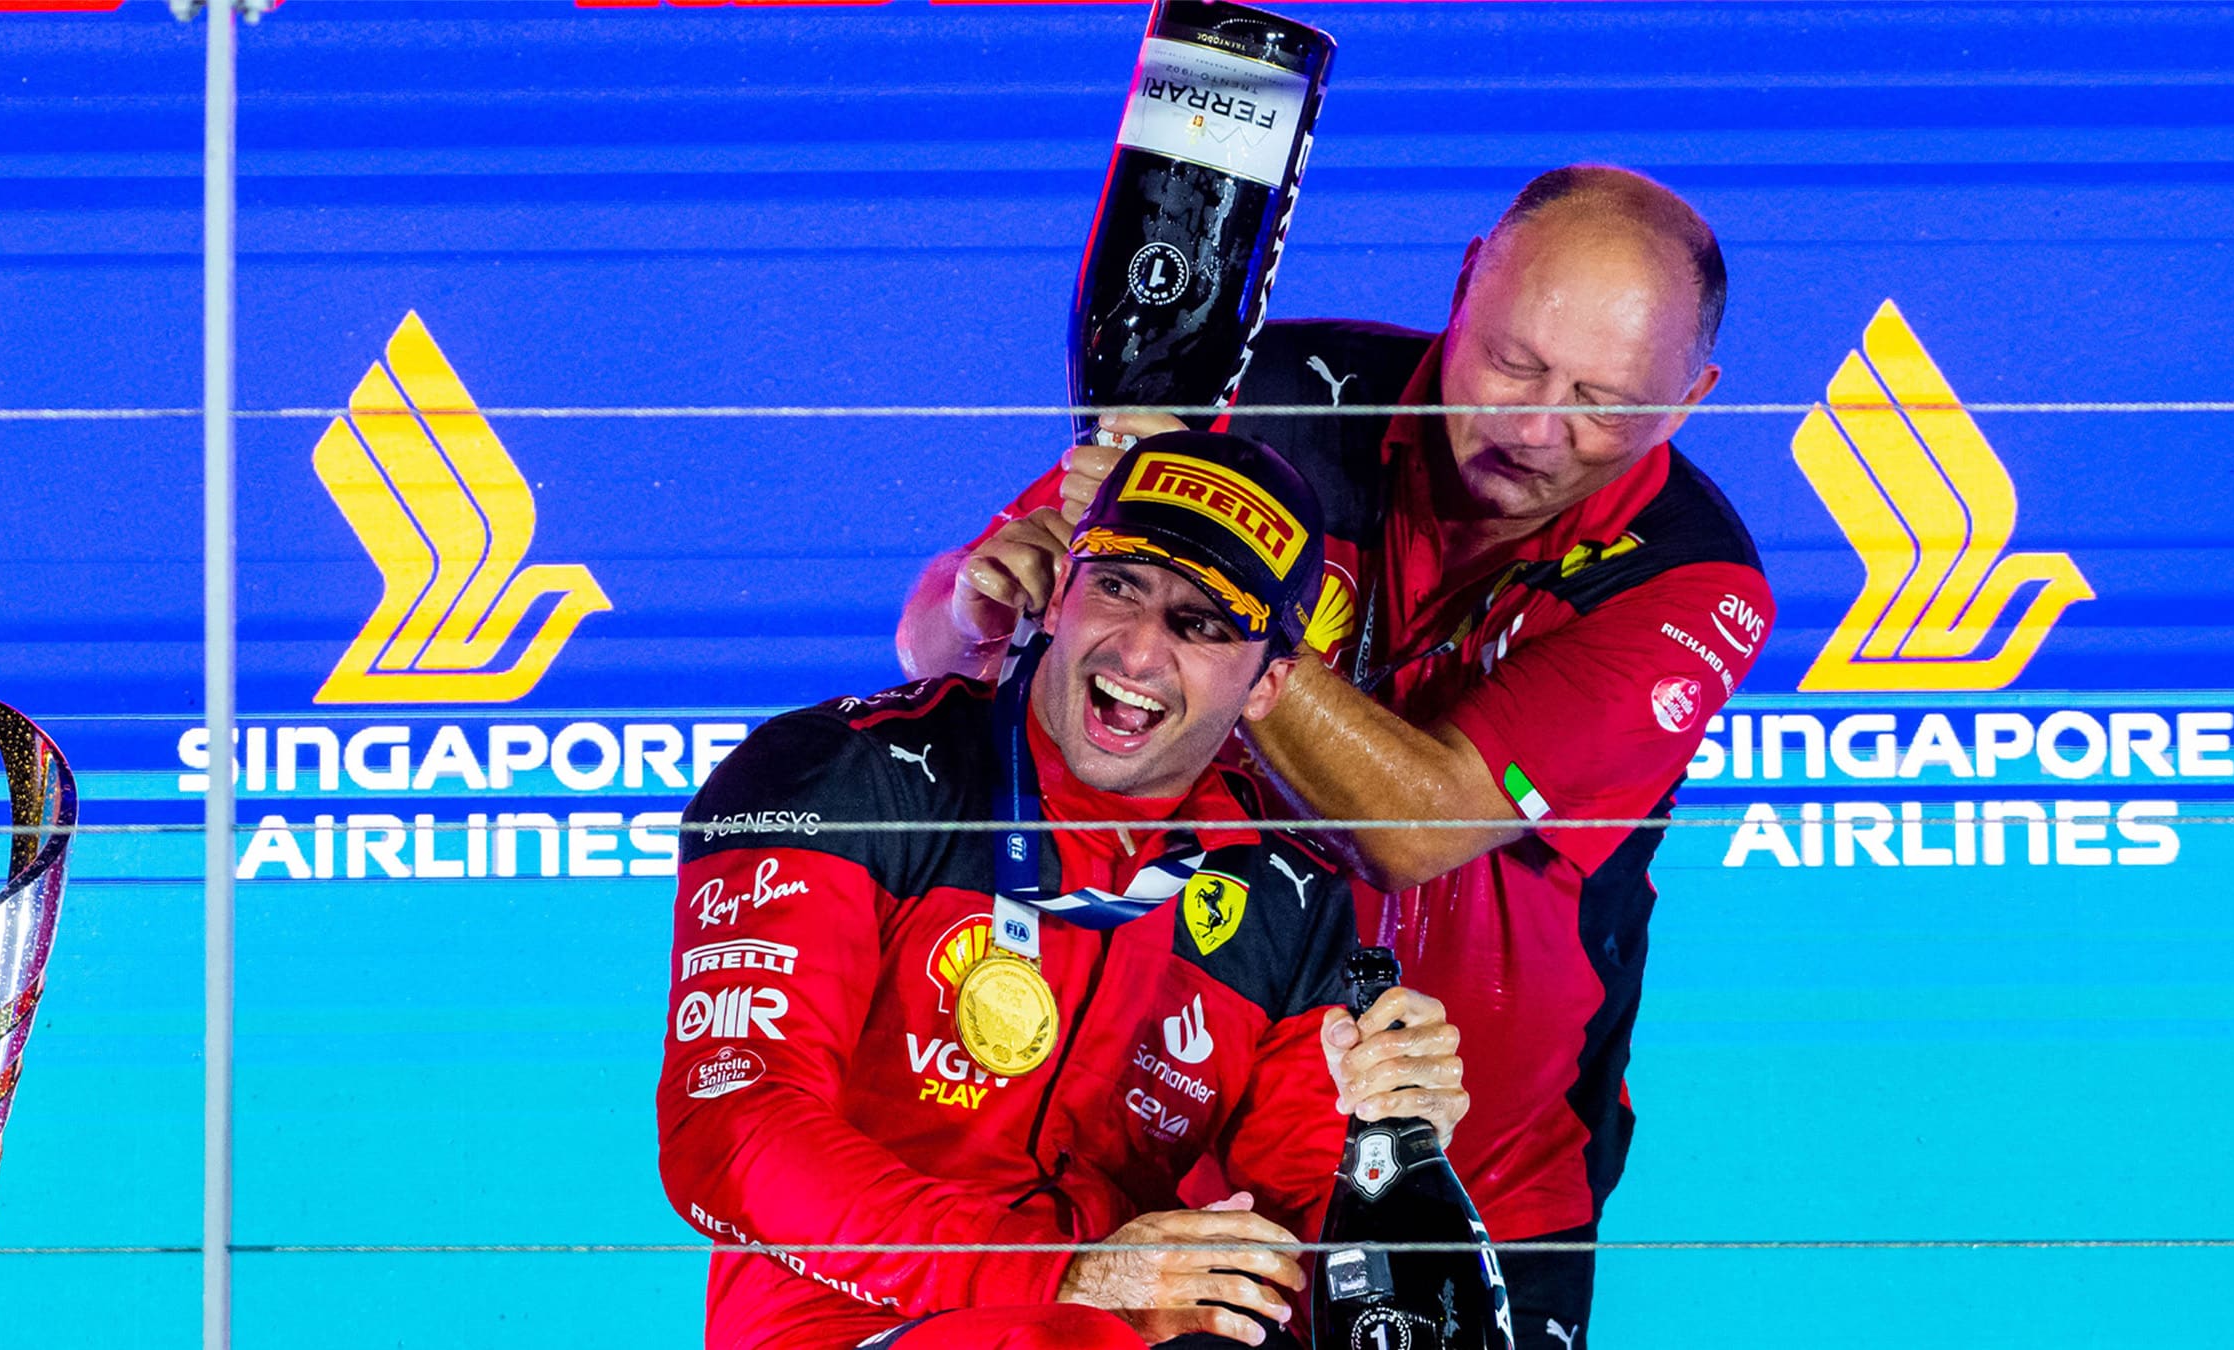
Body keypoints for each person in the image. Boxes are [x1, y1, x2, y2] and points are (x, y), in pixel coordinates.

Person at [898, 165, 1776, 1340]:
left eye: (1601, 402)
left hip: (1475, 1187)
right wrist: (981, 607)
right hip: (1171, 1144)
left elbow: (1417, 827)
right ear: (1465, 283)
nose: (1533, 429)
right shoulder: (1260, 405)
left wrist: (1216, 611)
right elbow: (947, 637)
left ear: (1690, 398)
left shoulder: (1689, 584)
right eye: (1511, 364)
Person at [660, 431, 1479, 1350]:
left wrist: (1390, 1148)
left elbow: (1314, 1233)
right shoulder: (836, 774)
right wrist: (1065, 1277)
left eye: (1202, 623)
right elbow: (730, 1133)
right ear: (1059, 592)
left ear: (1268, 684)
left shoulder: (1285, 891)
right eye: (1119, 585)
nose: (1134, 652)